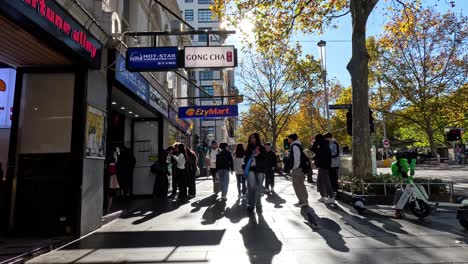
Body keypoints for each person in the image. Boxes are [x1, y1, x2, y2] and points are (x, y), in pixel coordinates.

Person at [244, 133, 267, 213]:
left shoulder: (262, 148)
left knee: (259, 187)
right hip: (251, 169)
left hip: (260, 169)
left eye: (253, 137)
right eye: (250, 138)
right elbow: (246, 159)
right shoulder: (248, 148)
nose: (251, 139)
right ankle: (251, 204)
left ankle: (258, 204)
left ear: (257, 138)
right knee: (251, 186)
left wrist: (259, 154)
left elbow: (265, 158)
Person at [287, 134, 309, 208]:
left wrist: (294, 167)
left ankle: (304, 201)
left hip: (297, 169)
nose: (288, 140)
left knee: (298, 185)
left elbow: (297, 158)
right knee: (299, 185)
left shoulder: (295, 146)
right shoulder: (297, 145)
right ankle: (302, 200)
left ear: (292, 139)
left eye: (289, 139)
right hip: (299, 168)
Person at [312, 133, 334, 204]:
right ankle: (323, 196)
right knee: (320, 181)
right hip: (322, 165)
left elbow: (315, 151)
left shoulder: (324, 145)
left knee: (325, 181)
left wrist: (315, 143)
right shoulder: (323, 144)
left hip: (324, 165)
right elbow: (315, 151)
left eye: (316, 139)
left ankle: (331, 197)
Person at [324, 132, 340, 197]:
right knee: (329, 179)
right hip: (329, 164)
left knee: (334, 179)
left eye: (326, 138)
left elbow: (336, 153)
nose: (325, 140)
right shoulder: (328, 144)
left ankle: (335, 192)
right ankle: (330, 192)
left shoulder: (335, 143)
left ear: (329, 137)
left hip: (334, 164)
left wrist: (328, 155)